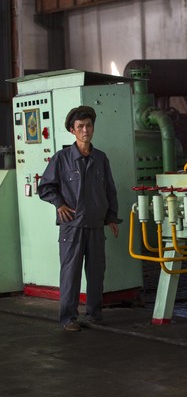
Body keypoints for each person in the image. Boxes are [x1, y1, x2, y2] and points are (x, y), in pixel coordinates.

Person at [38, 105, 119, 331]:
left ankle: (94, 314)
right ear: (72, 131)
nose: (85, 130)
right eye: (80, 126)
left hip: (95, 225)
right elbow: (45, 187)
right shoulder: (62, 158)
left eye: (89, 125)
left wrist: (112, 217)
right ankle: (68, 318)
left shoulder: (101, 158)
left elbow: (110, 191)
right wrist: (59, 204)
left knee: (96, 273)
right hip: (72, 227)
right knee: (71, 274)